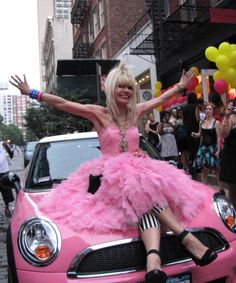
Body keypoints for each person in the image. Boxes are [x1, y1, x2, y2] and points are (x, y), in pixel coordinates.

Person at [10, 65, 217, 283]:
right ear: (111, 88)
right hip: (111, 179)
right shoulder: (98, 113)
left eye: (129, 87)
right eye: (121, 86)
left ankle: (153, 263)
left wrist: (180, 87)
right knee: (140, 187)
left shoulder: (135, 111)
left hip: (140, 176)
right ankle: (186, 237)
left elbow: (160, 99)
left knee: (143, 199)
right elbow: (63, 104)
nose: (126, 90)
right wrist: (32, 92)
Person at [191, 103, 221, 187]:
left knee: (216, 169)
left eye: (210, 109)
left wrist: (218, 150)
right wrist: (195, 134)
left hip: (212, 147)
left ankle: (221, 190)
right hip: (203, 148)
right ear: (204, 111)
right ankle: (205, 189)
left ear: (213, 111)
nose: (208, 111)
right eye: (207, 109)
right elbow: (200, 134)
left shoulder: (217, 123)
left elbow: (219, 137)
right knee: (203, 170)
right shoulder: (201, 122)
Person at [219, 99, 236, 207]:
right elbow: (224, 134)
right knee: (233, 188)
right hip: (232, 156)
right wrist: (226, 117)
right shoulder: (231, 118)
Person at [182, 92, 200, 178]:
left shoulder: (185, 107)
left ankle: (191, 165)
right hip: (196, 128)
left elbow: (183, 119)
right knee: (197, 146)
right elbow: (198, 118)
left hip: (187, 129)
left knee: (191, 148)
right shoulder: (196, 106)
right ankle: (197, 166)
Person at [0, 141, 14, 217]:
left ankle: (7, 208)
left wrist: (8, 151)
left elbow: (11, 156)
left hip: (3, 173)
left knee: (6, 192)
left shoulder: (3, 145)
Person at [175, 107, 190, 171]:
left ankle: (189, 165)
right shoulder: (176, 121)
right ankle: (184, 166)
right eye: (178, 112)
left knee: (188, 152)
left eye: (181, 111)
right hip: (180, 138)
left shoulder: (186, 119)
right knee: (182, 153)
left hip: (186, 137)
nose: (180, 113)